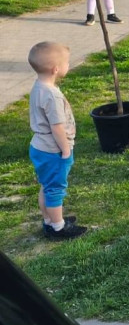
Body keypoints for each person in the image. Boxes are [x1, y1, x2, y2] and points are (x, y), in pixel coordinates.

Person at [28, 42, 87, 240]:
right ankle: (59, 228)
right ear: (55, 69)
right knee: (55, 189)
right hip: (53, 150)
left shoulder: (39, 87)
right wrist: (65, 150)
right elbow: (57, 127)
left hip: (39, 147)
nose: (68, 65)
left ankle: (49, 221)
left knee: (46, 185)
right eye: (67, 62)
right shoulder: (52, 96)